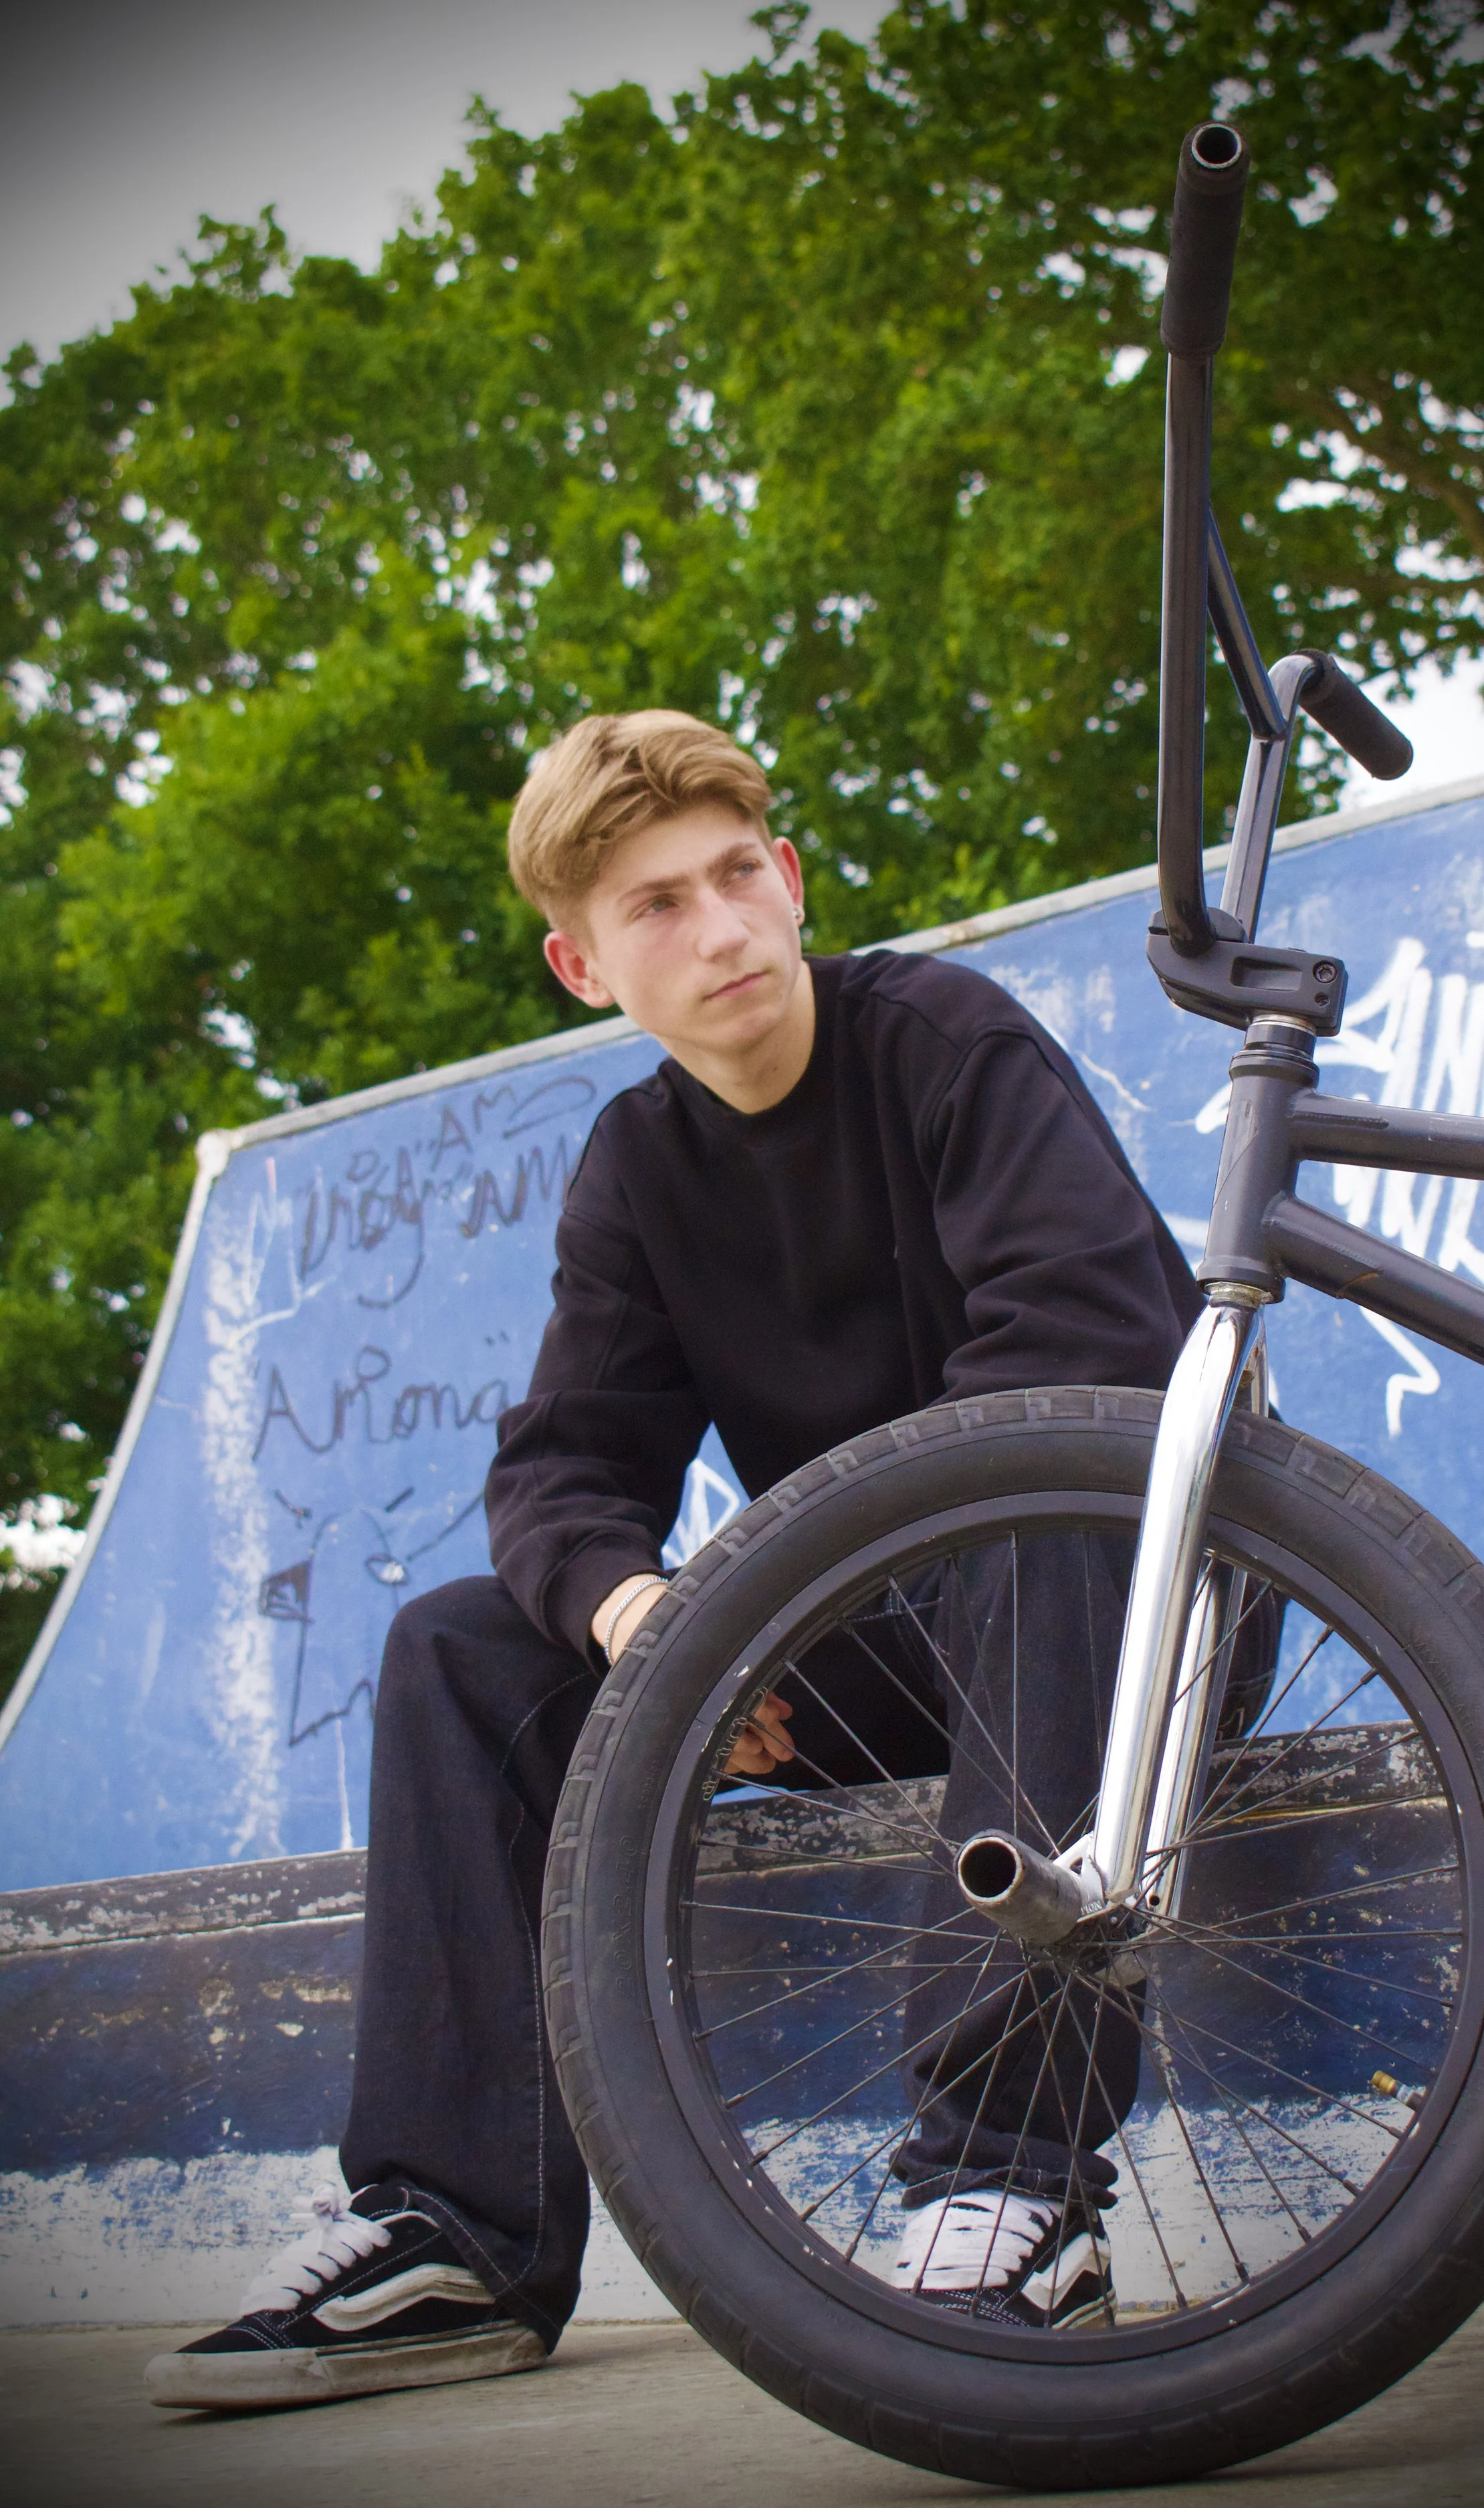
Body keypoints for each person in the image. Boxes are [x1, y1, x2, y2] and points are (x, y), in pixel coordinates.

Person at [145, 709, 1210, 2410]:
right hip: (887, 1636)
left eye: (735, 876)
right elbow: (563, 1471)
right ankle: (458, 2234)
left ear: (787, 880)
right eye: (654, 906)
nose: (717, 929)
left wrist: (762, 1615)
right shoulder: (636, 1169)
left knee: (1032, 1509)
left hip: (1127, 1610)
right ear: (583, 965)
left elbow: (1080, 1365)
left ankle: (1012, 2187)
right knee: (465, 1650)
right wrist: (658, 1625)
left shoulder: (943, 1040)